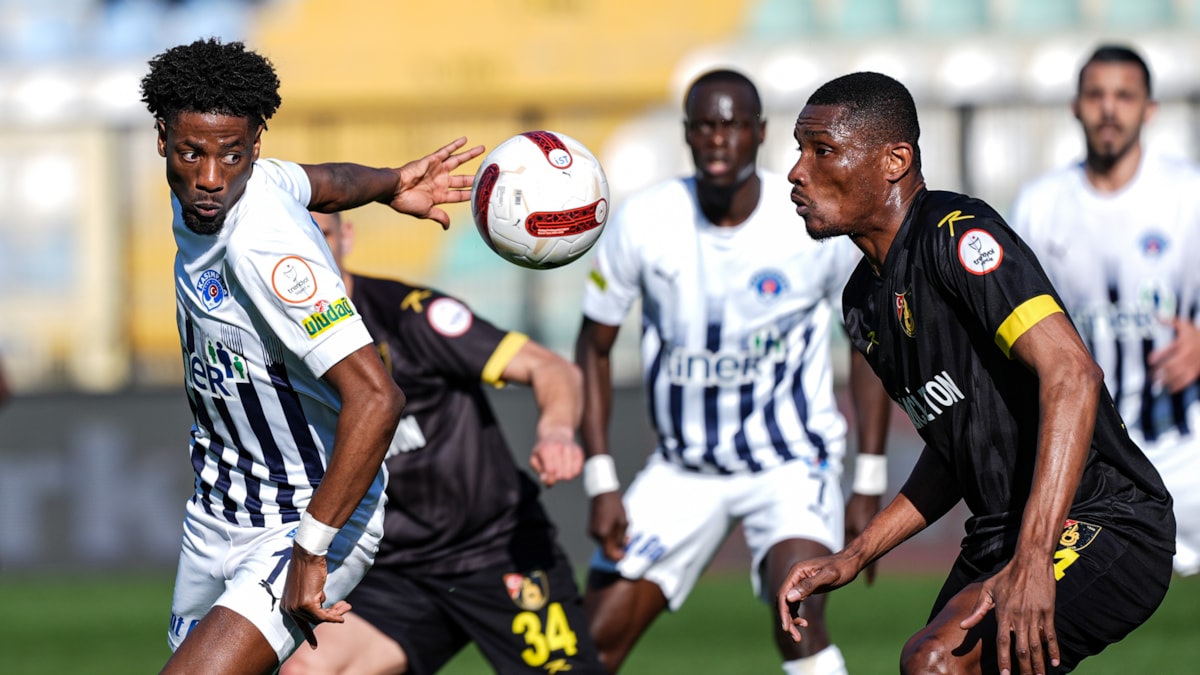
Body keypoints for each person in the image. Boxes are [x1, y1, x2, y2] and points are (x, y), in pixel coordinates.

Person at [777, 71, 1176, 675]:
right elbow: (953, 451)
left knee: (935, 662)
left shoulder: (958, 235)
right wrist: (855, 554)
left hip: (1102, 517)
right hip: (1000, 534)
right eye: (799, 150)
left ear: (894, 161)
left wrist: (1034, 557)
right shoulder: (861, 302)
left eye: (822, 150)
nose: (797, 171)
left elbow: (1073, 375)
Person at [141, 38, 483, 674]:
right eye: (192, 153)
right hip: (216, 512)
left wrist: (311, 547)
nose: (211, 177)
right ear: (163, 139)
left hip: (300, 518)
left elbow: (379, 399)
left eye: (231, 155)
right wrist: (392, 184)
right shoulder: (231, 184)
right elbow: (326, 182)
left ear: (255, 144)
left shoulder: (264, 248)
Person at [575, 68, 892, 675]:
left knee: (798, 608)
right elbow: (593, 347)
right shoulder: (644, 221)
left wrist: (869, 478)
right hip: (682, 469)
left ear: (760, 133)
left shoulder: (809, 221)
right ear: (686, 134)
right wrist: (600, 481)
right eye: (703, 126)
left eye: (732, 125)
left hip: (789, 463)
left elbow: (865, 346)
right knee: (589, 644)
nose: (717, 139)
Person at [280, 211, 604, 674]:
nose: (310, 254)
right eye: (297, 242)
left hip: (495, 548)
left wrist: (555, 432)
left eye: (322, 236)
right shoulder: (275, 343)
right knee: (304, 670)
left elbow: (551, 368)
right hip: (396, 569)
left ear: (346, 236)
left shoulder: (408, 315)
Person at [1010, 44, 1200, 577]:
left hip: (1188, 453)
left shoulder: (1189, 194)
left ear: (1149, 109)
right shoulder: (1040, 206)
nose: (1109, 109)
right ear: (1076, 107)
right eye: (1096, 95)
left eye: (1124, 96)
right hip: (1092, 465)